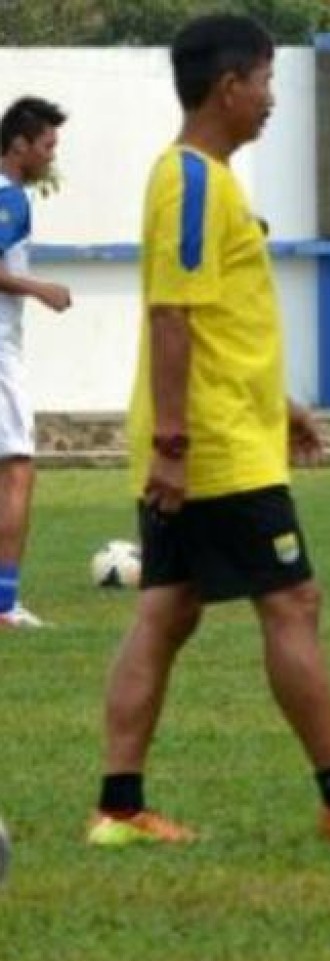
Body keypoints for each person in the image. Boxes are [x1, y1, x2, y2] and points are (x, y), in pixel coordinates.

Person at [87, 14, 330, 847]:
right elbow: (173, 314)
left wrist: (279, 401)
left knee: (167, 610)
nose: (271, 100)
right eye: (264, 81)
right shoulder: (190, 180)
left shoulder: (207, 180)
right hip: (211, 449)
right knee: (292, 600)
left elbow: (219, 317)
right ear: (228, 87)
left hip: (219, 431)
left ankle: (118, 808)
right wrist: (178, 447)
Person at [0, 97, 71, 628]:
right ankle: (4, 606)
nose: (51, 156)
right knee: (18, 470)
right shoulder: (11, 198)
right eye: (47, 145)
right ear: (19, 145)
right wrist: (39, 287)